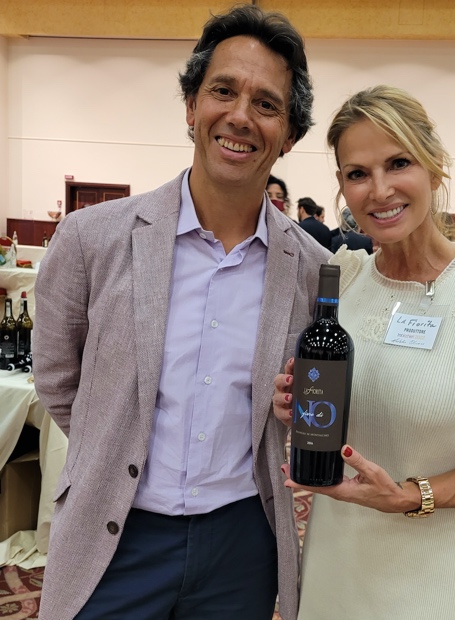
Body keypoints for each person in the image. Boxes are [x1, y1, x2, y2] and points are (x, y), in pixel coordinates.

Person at [33, 6, 330, 620]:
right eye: (223, 91)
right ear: (192, 106)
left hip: (241, 542)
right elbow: (58, 380)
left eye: (266, 104)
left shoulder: (311, 268)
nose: (240, 116)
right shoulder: (91, 240)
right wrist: (112, 444)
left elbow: (307, 401)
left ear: (289, 135)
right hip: (116, 536)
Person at [273, 85, 455, 619]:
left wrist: (413, 495)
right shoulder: (347, 281)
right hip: (335, 554)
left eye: (398, 163)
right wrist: (297, 402)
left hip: (430, 568)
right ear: (342, 186)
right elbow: (335, 404)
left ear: (433, 166)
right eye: (358, 173)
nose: (379, 190)